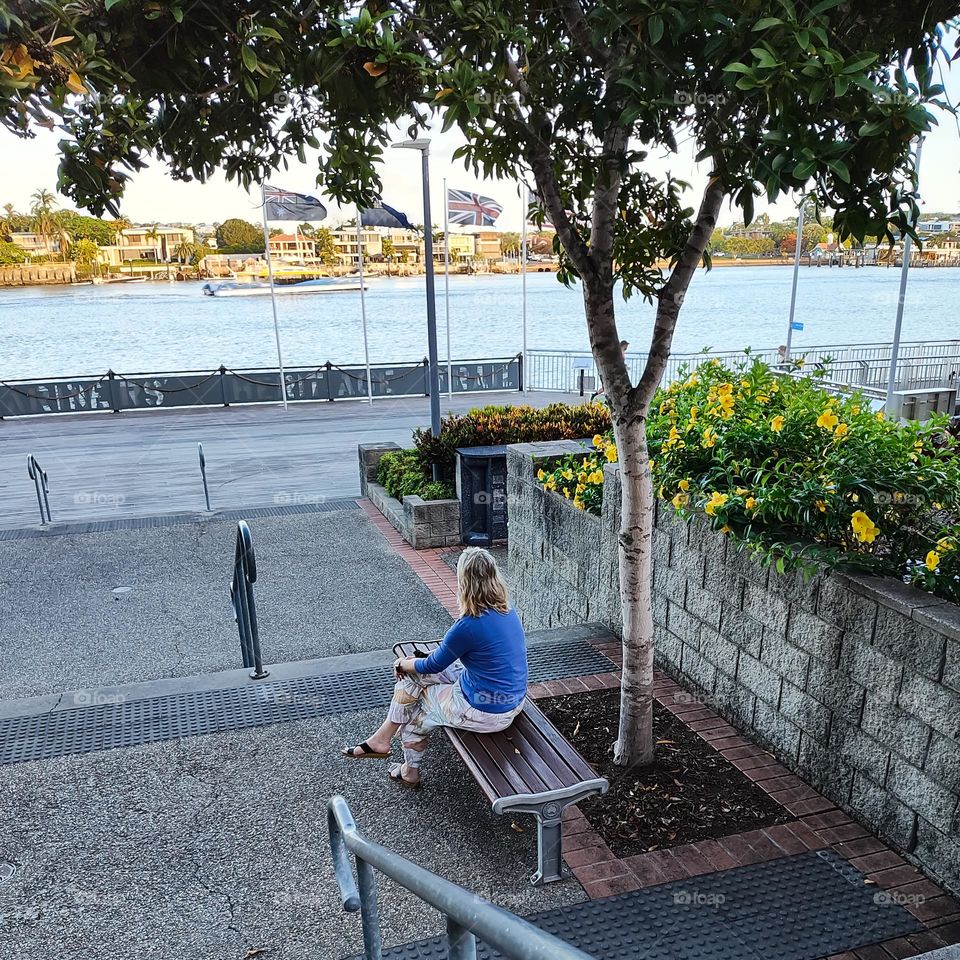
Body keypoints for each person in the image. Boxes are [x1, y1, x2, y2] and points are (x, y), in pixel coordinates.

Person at [341, 547, 528, 787]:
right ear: (494, 576)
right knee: (412, 678)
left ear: (464, 582)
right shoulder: (507, 610)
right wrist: (410, 667)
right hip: (511, 699)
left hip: (486, 712)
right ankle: (382, 738)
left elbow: (432, 665)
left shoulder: (468, 625)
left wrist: (402, 663)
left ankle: (409, 771)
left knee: (418, 707)